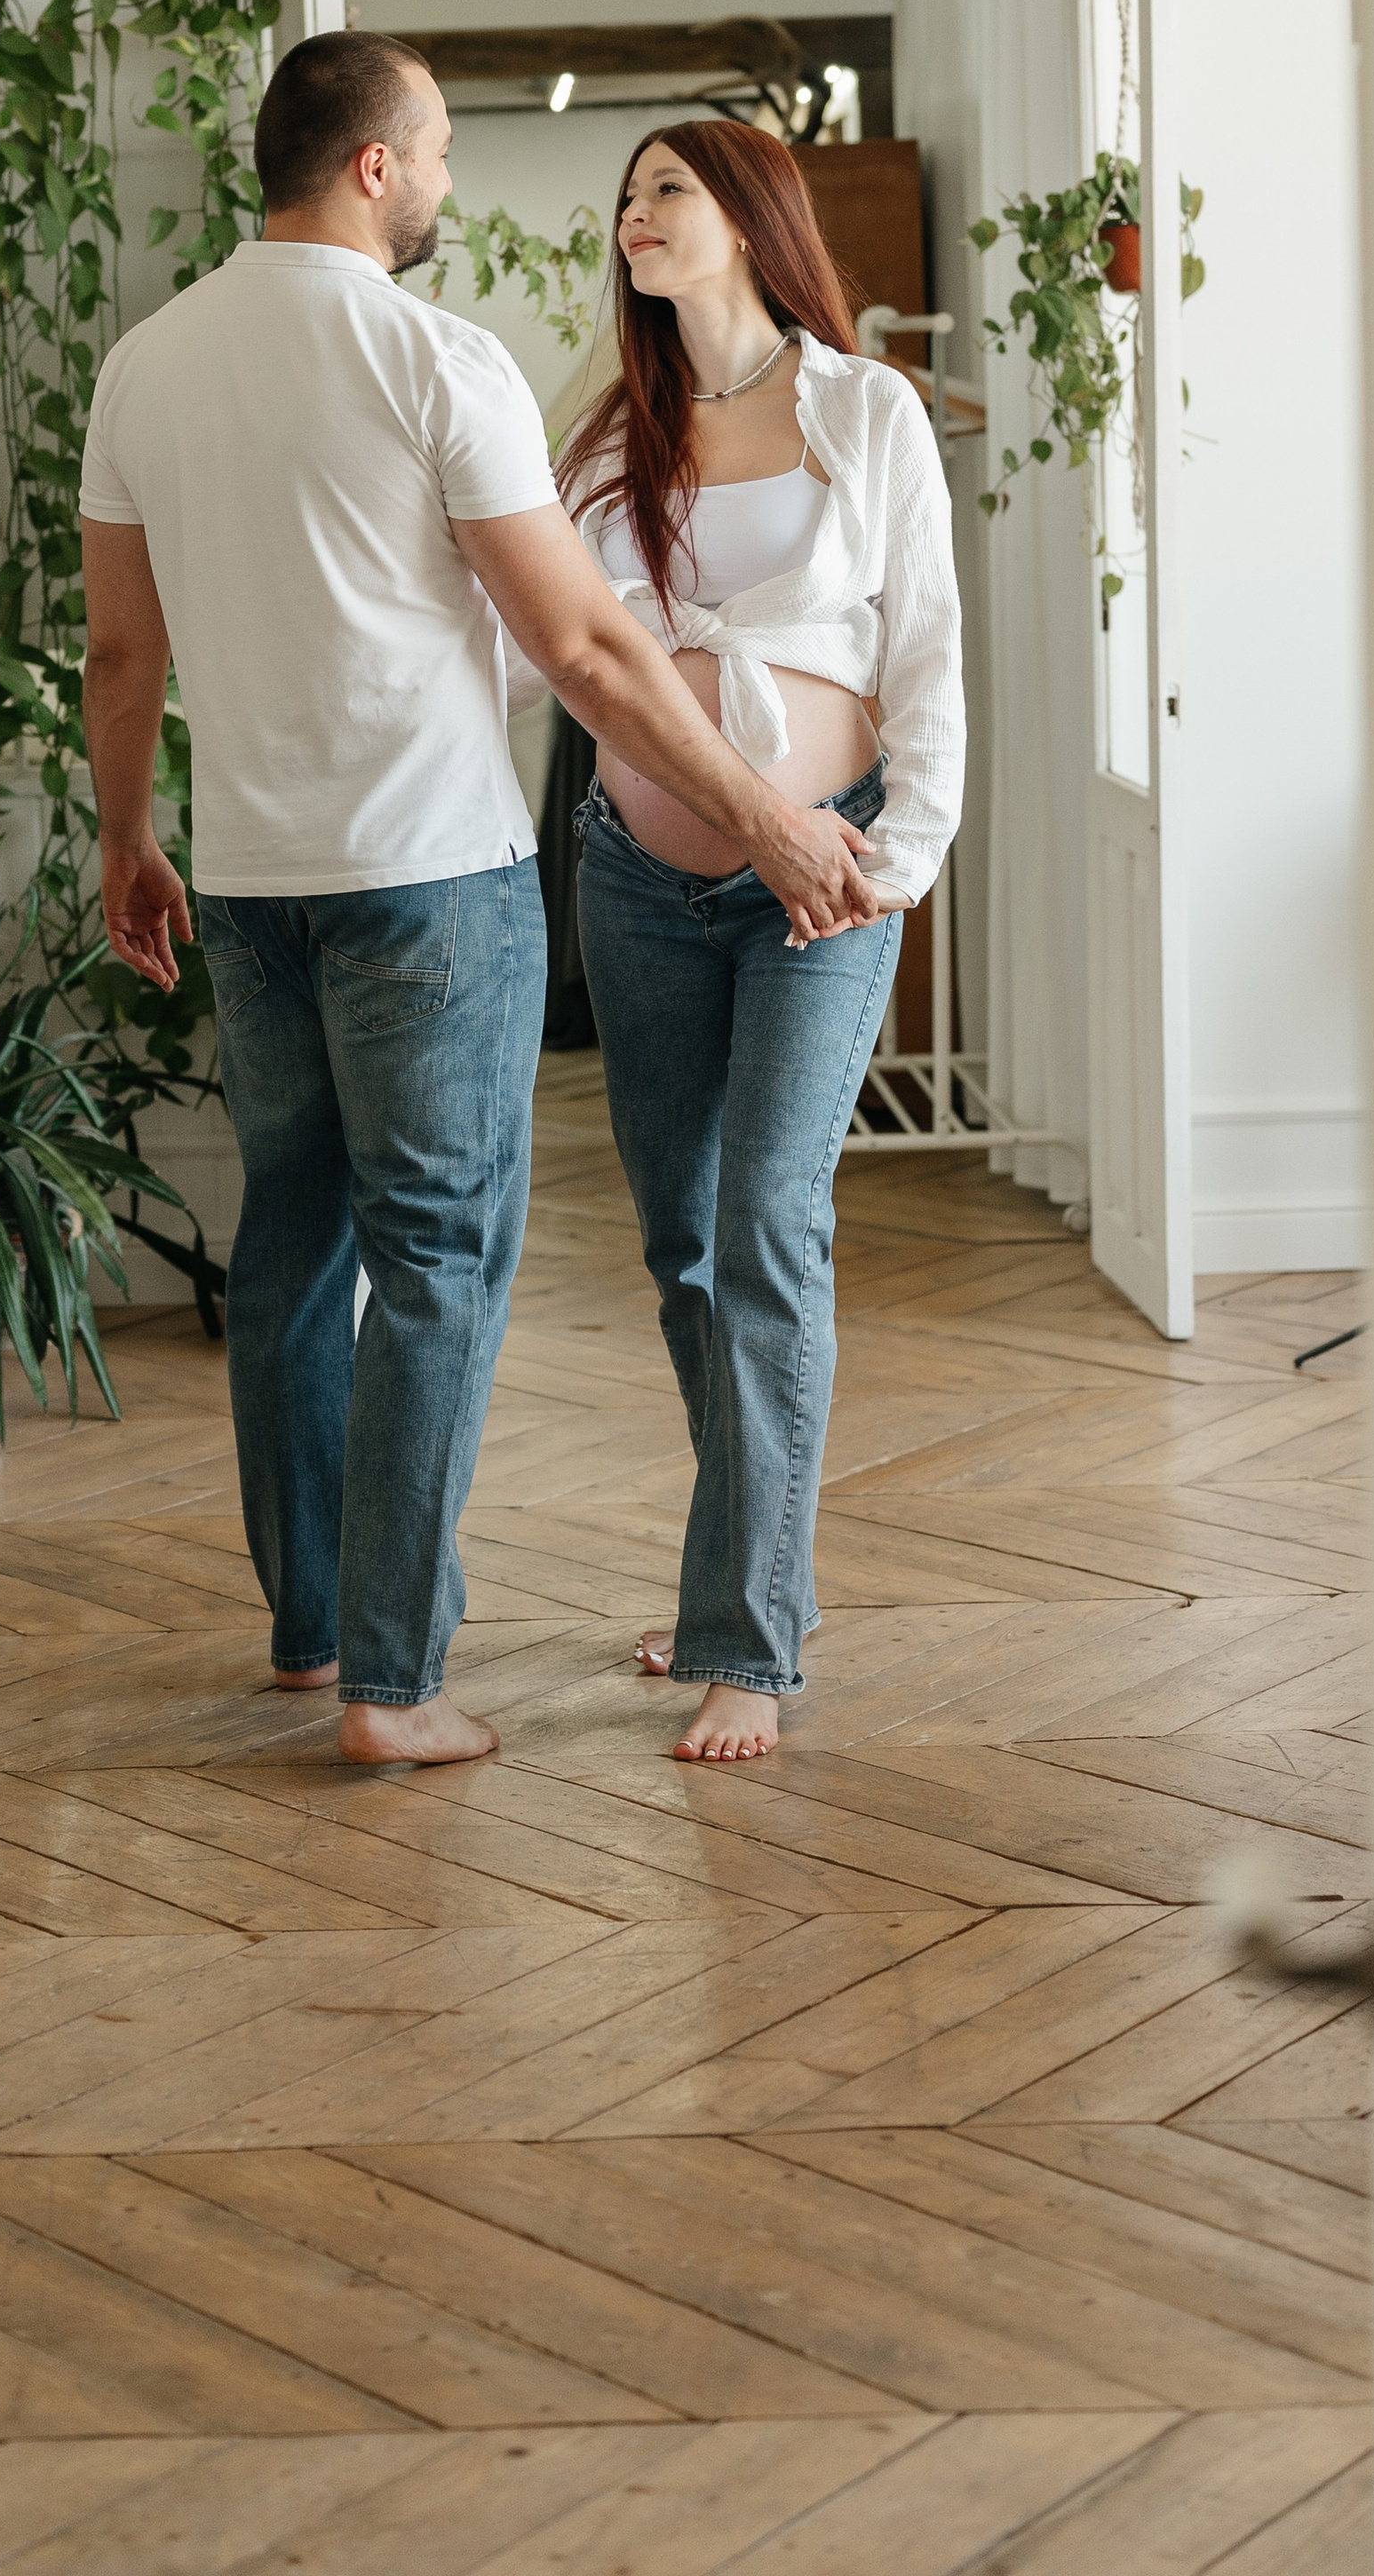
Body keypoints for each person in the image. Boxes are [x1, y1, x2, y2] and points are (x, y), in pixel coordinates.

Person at [79, 34, 883, 1766]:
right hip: (430, 887)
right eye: (435, 151)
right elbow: (582, 643)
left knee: (291, 1242)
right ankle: (393, 1684)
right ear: (373, 166)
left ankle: (311, 1631)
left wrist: (122, 839)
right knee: (434, 1259)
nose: (445, 182)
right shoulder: (437, 359)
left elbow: (120, 648)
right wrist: (760, 811)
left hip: (245, 885)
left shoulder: (143, 366)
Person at [546, 120, 963, 1764]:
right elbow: (557, 659)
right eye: (628, 197)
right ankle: (743, 1565)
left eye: (666, 190)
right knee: (685, 1251)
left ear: (747, 219)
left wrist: (899, 861)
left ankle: (749, 1644)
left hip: (826, 874)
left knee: (769, 1222)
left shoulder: (865, 409)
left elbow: (923, 646)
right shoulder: (608, 440)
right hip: (637, 888)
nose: (635, 216)